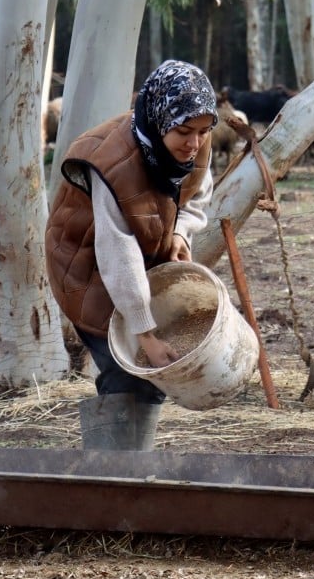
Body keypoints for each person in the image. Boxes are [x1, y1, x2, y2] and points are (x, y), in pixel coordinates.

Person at [46, 60, 219, 451]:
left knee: (154, 372)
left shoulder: (194, 136)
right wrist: (145, 333)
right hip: (85, 264)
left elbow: (197, 194)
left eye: (204, 132)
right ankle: (110, 476)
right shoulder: (110, 163)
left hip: (142, 257)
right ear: (159, 121)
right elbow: (115, 251)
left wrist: (178, 232)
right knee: (126, 368)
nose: (194, 143)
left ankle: (135, 472)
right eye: (184, 132)